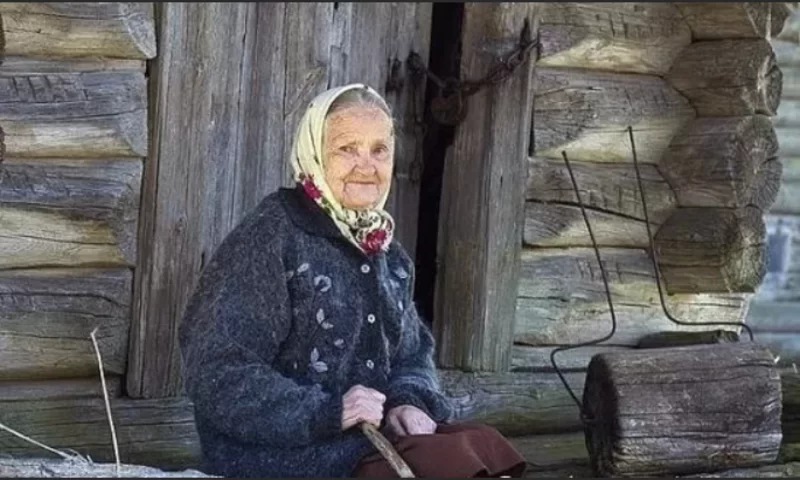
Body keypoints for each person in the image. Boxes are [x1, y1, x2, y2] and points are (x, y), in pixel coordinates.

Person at [178, 83, 527, 478]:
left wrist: (409, 401)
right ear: (314, 154)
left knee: (487, 448)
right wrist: (327, 412)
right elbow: (216, 371)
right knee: (442, 467)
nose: (366, 165)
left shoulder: (387, 253)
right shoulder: (273, 236)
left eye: (379, 150)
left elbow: (412, 356)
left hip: (365, 445)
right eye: (347, 149)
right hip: (283, 457)